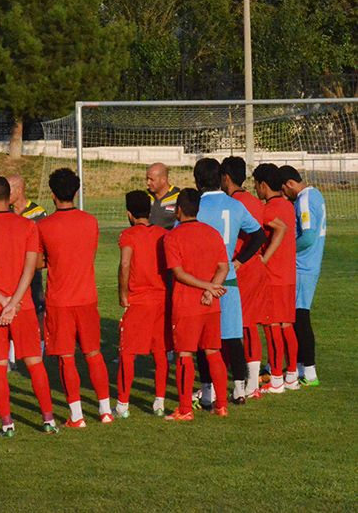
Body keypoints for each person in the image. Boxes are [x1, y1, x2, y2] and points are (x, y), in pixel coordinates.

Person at [0, 176, 56, 437]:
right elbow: (31, 268)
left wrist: (3, 301)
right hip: (23, 305)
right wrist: (14, 301)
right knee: (34, 361)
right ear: (9, 196)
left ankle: (7, 423)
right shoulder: (27, 226)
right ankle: (48, 418)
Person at [37, 169, 112, 426]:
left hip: (60, 300)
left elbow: (37, 262)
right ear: (76, 191)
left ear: (53, 194)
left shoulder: (44, 226)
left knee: (66, 357)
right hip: (87, 297)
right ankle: (105, 410)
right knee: (93, 353)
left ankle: (77, 415)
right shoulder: (90, 222)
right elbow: (89, 252)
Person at [194, 158, 265, 408]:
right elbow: (258, 234)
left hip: (203, 281)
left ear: (197, 180)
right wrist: (238, 261)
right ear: (220, 178)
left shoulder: (196, 207)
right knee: (233, 336)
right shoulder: (234, 206)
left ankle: (207, 391)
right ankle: (239, 390)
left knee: (204, 340)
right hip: (230, 281)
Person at [163, 189, 230, 421]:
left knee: (184, 355)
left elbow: (179, 273)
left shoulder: (172, 237)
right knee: (213, 352)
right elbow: (224, 267)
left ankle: (184, 409)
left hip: (187, 304)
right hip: (210, 305)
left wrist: (205, 287)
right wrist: (211, 289)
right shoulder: (212, 233)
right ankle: (221, 405)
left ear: (179, 210)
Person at [220, 156, 272, 398]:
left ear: (226, 178)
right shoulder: (252, 200)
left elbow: (258, 234)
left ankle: (251, 384)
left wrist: (240, 260)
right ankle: (247, 379)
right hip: (251, 268)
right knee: (243, 324)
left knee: (246, 324)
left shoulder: (234, 203)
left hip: (244, 270)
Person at [115, 190, 169, 418]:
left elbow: (125, 263)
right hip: (161, 299)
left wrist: (123, 293)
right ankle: (159, 402)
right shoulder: (162, 234)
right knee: (160, 352)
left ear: (129, 213)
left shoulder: (129, 235)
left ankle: (123, 405)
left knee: (127, 352)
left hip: (139, 300)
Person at [254, 163, 299, 393]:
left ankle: (276, 378)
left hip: (273, 275)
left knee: (272, 326)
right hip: (289, 274)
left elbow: (278, 230)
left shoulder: (268, 209)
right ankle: (292, 375)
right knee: (286, 325)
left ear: (263, 185)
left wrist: (263, 258)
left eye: (255, 185)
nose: (254, 189)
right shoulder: (288, 205)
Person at [280, 165, 325, 386]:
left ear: (289, 184)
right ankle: (299, 367)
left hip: (303, 266)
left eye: (283, 190)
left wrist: (286, 251)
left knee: (299, 317)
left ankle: (308, 371)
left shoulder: (305, 199)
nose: (283, 195)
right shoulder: (315, 194)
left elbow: (307, 237)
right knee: (298, 316)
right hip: (309, 265)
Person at [7, 174, 47, 371]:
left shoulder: (38, 213)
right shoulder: (4, 212)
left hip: (32, 273)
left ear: (19, 190)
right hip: (9, 273)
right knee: (8, 310)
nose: (5, 194)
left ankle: (39, 350)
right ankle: (10, 357)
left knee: (38, 311)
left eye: (9, 190)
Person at [146, 163, 180, 229]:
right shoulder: (146, 196)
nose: (148, 183)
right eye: (147, 179)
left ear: (163, 180)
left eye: (151, 179)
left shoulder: (178, 197)